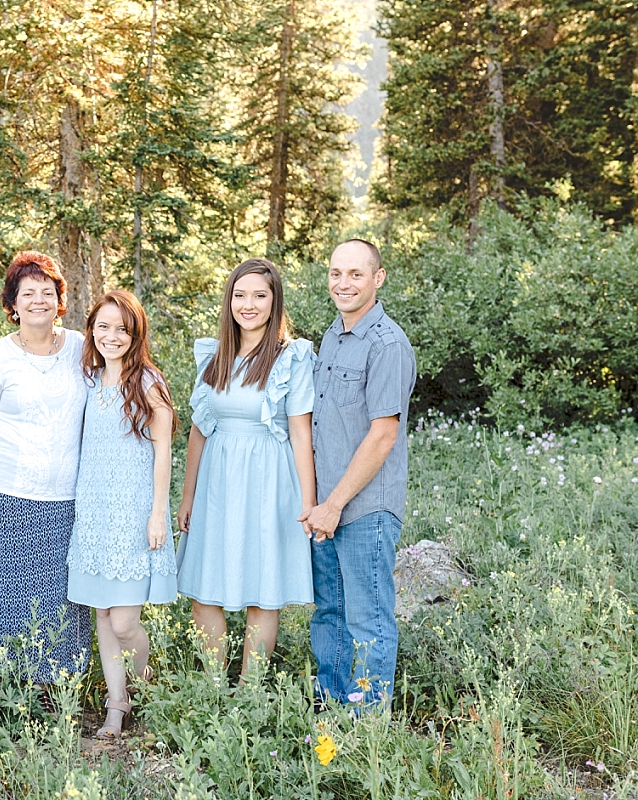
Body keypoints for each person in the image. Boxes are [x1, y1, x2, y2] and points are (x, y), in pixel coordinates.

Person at [176, 259, 317, 679]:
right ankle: (215, 688)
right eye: (240, 295)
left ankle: (252, 691)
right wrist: (187, 497)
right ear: (229, 300)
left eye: (259, 295)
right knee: (203, 589)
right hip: (216, 481)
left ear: (275, 301)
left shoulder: (292, 356)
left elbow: (300, 434)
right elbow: (199, 431)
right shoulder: (214, 356)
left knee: (263, 591)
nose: (248, 304)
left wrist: (308, 504)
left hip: (268, 478)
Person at [0, 251, 92, 686]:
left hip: (65, 500)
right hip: (6, 498)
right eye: (28, 292)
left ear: (60, 300)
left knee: (58, 603)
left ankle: (52, 693)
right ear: (12, 304)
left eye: (47, 292)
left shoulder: (79, 347)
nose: (39, 299)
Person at [300, 239, 416, 707]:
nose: (343, 283)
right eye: (335, 273)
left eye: (355, 274)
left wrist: (333, 505)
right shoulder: (332, 336)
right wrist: (317, 504)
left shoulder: (388, 345)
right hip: (325, 506)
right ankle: (329, 709)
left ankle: (366, 725)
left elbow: (382, 437)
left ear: (378, 278)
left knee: (367, 618)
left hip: (363, 508)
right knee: (329, 612)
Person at [65, 290, 178, 738]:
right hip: (94, 512)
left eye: (122, 329)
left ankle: (147, 682)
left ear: (136, 334)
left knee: (125, 620)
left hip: (134, 513)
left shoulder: (149, 382)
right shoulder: (90, 380)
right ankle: (117, 708)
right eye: (103, 326)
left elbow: (164, 451)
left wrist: (157, 514)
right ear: (92, 329)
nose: (111, 336)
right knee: (102, 615)